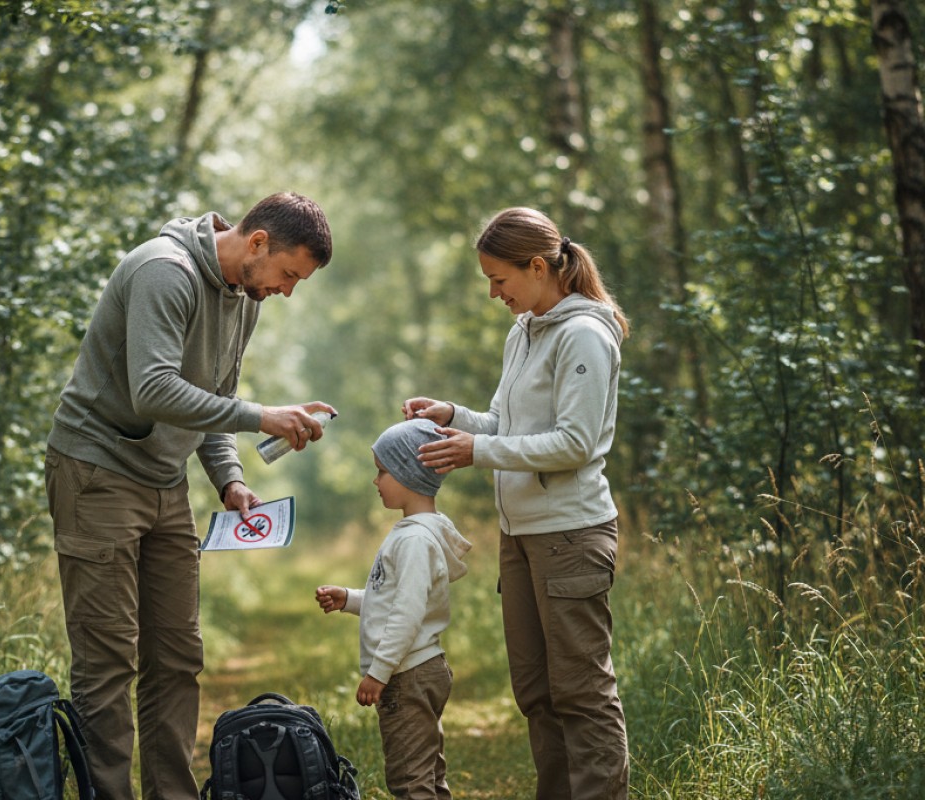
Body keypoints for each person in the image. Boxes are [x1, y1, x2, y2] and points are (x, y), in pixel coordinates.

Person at [45, 192, 336, 800]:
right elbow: (154, 390)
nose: (287, 290)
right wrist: (263, 417)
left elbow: (211, 400)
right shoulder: (164, 271)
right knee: (107, 662)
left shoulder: (244, 297)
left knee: (176, 656)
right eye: (288, 274)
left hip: (164, 480)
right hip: (97, 472)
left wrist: (228, 478)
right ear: (258, 243)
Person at [403, 206, 631, 800]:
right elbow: (505, 424)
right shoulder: (523, 330)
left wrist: (478, 450)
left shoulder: (584, 334)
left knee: (581, 693)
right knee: (536, 692)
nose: (493, 293)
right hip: (521, 536)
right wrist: (453, 417)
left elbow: (575, 443)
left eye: (499, 279)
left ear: (537, 266)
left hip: (571, 534)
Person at [315, 418, 472, 800]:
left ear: (407, 474)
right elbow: (394, 599)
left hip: (407, 672)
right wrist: (350, 599)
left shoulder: (415, 540)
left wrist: (378, 672)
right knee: (427, 769)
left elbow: (406, 613)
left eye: (382, 471)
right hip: (421, 666)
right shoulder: (415, 532)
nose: (376, 481)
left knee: (409, 776)